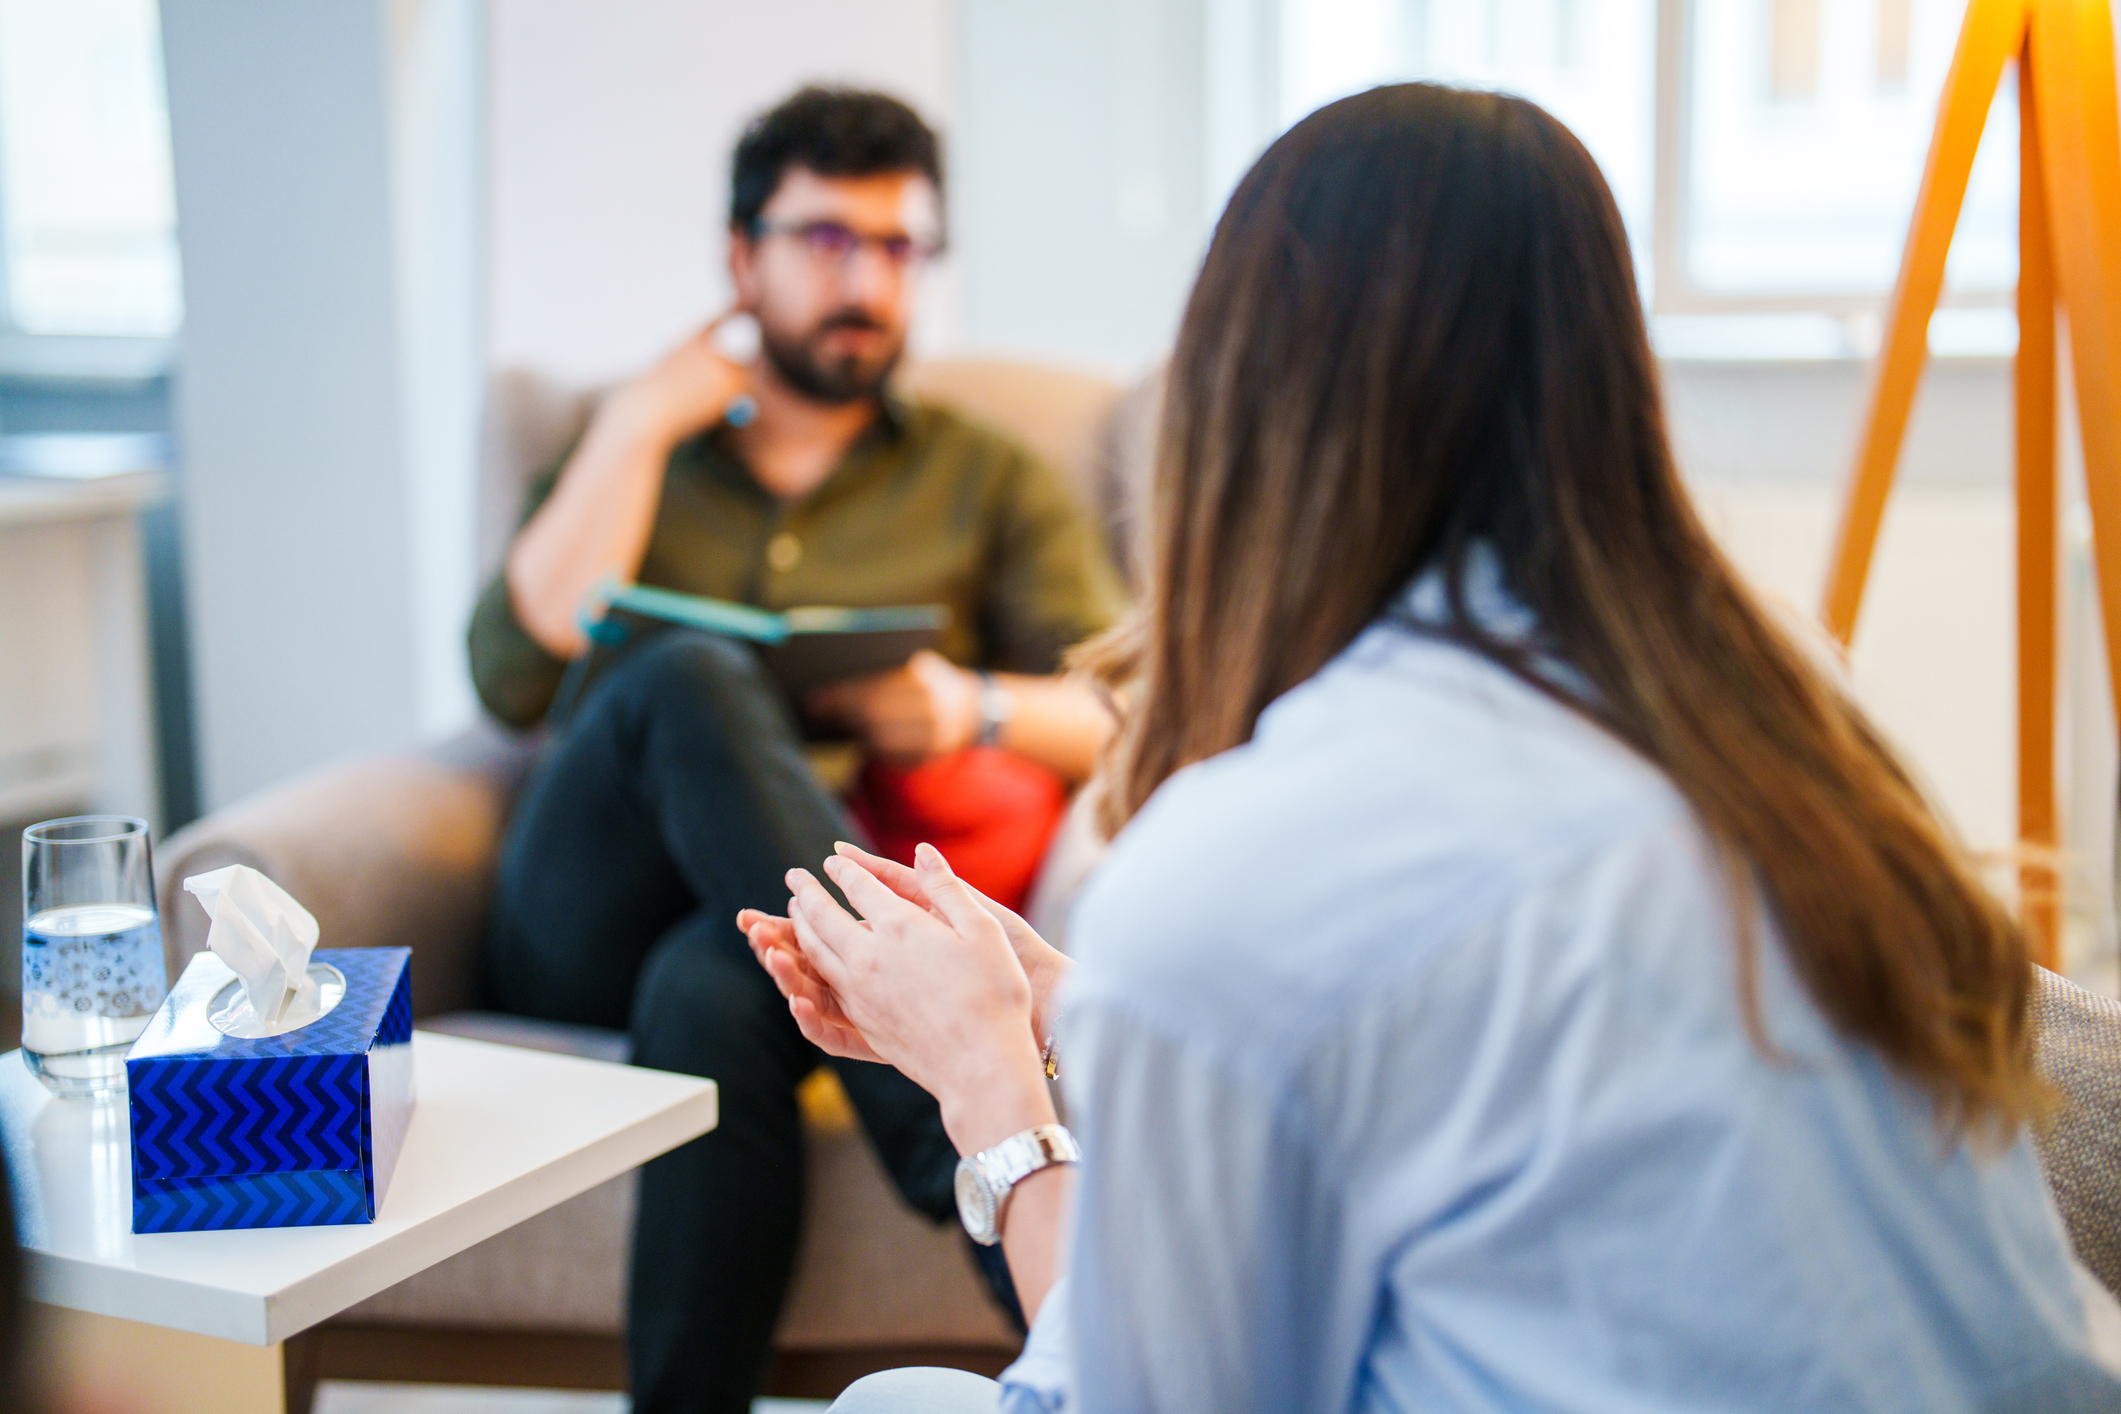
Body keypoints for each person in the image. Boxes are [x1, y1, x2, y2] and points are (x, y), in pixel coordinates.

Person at [742, 83, 2121, 1412]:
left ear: (1232, 411)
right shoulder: (1781, 721)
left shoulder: (1237, 854)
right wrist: (1070, 1005)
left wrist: (988, 1086)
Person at [466, 87, 1126, 1414]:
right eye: (827, 241)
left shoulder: (980, 473)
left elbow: (1123, 706)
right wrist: (639, 423)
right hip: (582, 905)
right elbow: (511, 669)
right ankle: (967, 1167)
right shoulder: (641, 443)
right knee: (685, 674)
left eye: (897, 249)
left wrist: (967, 708)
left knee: (712, 983)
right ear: (739, 256)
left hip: (754, 936)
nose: (867, 283)